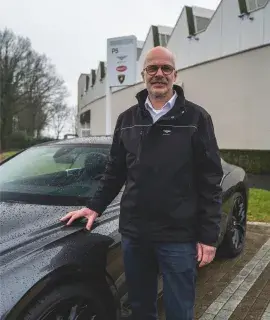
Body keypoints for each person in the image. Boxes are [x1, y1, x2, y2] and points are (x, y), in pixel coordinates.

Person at [60, 46, 223, 320]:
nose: (159, 74)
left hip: (179, 237)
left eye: (166, 68)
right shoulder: (127, 120)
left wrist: (208, 236)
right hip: (136, 236)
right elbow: (115, 172)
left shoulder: (197, 119)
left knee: (179, 311)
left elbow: (210, 180)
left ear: (175, 74)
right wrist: (93, 207)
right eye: (152, 68)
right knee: (140, 309)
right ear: (143, 74)